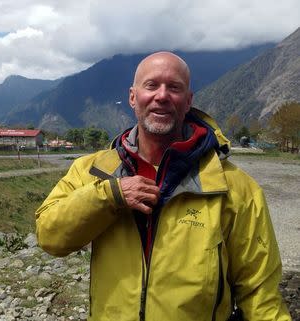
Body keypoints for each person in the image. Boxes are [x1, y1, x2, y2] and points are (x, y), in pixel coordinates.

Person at [35, 52, 291, 321]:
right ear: (133, 97)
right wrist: (111, 196)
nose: (162, 95)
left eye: (174, 87)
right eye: (151, 85)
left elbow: (261, 294)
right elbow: (50, 237)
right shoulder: (93, 171)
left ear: (188, 101)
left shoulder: (236, 187)